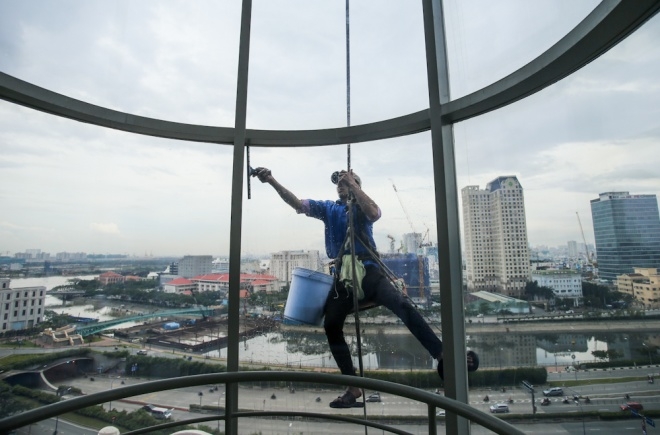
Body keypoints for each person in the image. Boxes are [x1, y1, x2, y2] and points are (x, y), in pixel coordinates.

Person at [253, 167, 479, 408]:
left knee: (400, 304)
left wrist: (354, 186)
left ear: (356, 185)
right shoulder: (329, 208)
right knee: (331, 325)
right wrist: (272, 181)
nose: (342, 185)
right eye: (339, 183)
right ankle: (353, 386)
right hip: (343, 276)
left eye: (347, 182)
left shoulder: (362, 206)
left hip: (369, 270)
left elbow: (374, 213)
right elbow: (298, 203)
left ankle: (441, 353)